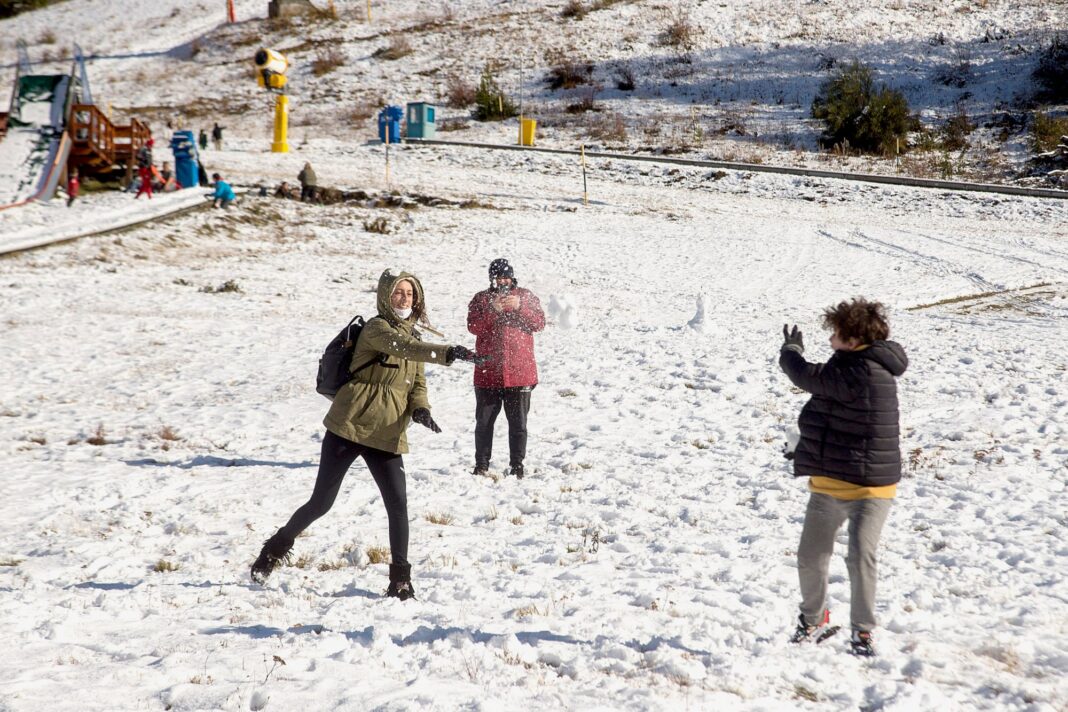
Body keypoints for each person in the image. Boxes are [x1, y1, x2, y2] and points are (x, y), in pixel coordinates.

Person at [250, 270, 486, 599]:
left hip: (387, 431)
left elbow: (416, 383)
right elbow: (401, 348)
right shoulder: (377, 328)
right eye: (398, 293)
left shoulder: (416, 337)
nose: (404, 298)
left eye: (409, 293)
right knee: (321, 503)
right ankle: (272, 551)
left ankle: (400, 581)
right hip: (349, 425)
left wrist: (421, 410)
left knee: (398, 505)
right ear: (386, 296)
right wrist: (448, 352)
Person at [779, 297, 908, 657]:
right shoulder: (852, 365)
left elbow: (806, 377)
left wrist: (790, 352)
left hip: (870, 489)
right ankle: (813, 620)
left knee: (859, 556)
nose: (831, 340)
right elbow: (833, 424)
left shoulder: (863, 371)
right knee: (810, 557)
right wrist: (802, 449)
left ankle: (863, 633)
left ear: (853, 339)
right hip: (828, 486)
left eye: (836, 334)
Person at [466, 258, 545, 479]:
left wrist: (520, 308)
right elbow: (473, 327)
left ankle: (517, 465)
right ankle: (481, 465)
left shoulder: (525, 296)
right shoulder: (481, 299)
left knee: (519, 424)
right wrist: (492, 310)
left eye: (506, 277)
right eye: (498, 277)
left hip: (520, 374)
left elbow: (539, 323)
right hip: (487, 373)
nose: (502, 281)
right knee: (483, 424)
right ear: (491, 279)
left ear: (512, 277)